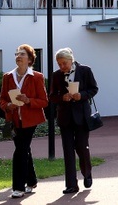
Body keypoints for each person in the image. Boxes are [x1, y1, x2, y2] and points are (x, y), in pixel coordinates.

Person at [0, 44, 48, 199]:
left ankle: (18, 187)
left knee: (20, 150)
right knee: (24, 149)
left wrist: (28, 100)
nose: (18, 56)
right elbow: (1, 99)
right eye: (17, 54)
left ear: (30, 59)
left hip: (30, 121)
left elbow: (44, 101)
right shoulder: (7, 77)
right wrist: (7, 106)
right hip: (13, 120)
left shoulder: (37, 77)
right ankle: (31, 181)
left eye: (22, 54)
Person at [49, 48, 99, 194]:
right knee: (68, 150)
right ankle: (71, 184)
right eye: (59, 64)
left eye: (64, 63)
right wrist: (61, 98)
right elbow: (52, 96)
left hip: (82, 116)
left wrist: (81, 95)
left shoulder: (85, 70)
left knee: (82, 147)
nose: (62, 66)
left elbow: (94, 89)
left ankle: (87, 172)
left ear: (71, 59)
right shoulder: (56, 75)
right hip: (65, 117)